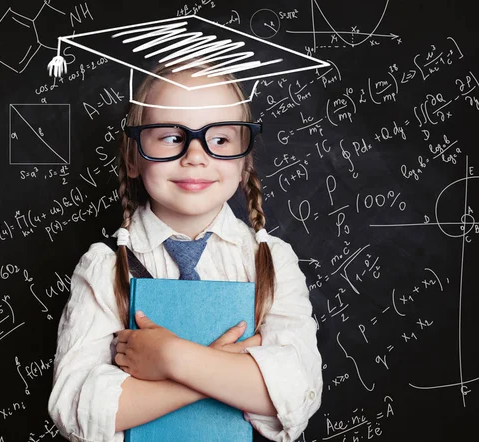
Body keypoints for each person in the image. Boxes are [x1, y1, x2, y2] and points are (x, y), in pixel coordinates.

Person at [48, 62, 323, 442]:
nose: (195, 155)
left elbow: (296, 394)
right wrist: (222, 370)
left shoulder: (271, 262)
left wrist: (170, 357)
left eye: (222, 140)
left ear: (244, 161)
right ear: (133, 157)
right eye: (170, 137)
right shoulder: (105, 267)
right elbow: (77, 409)